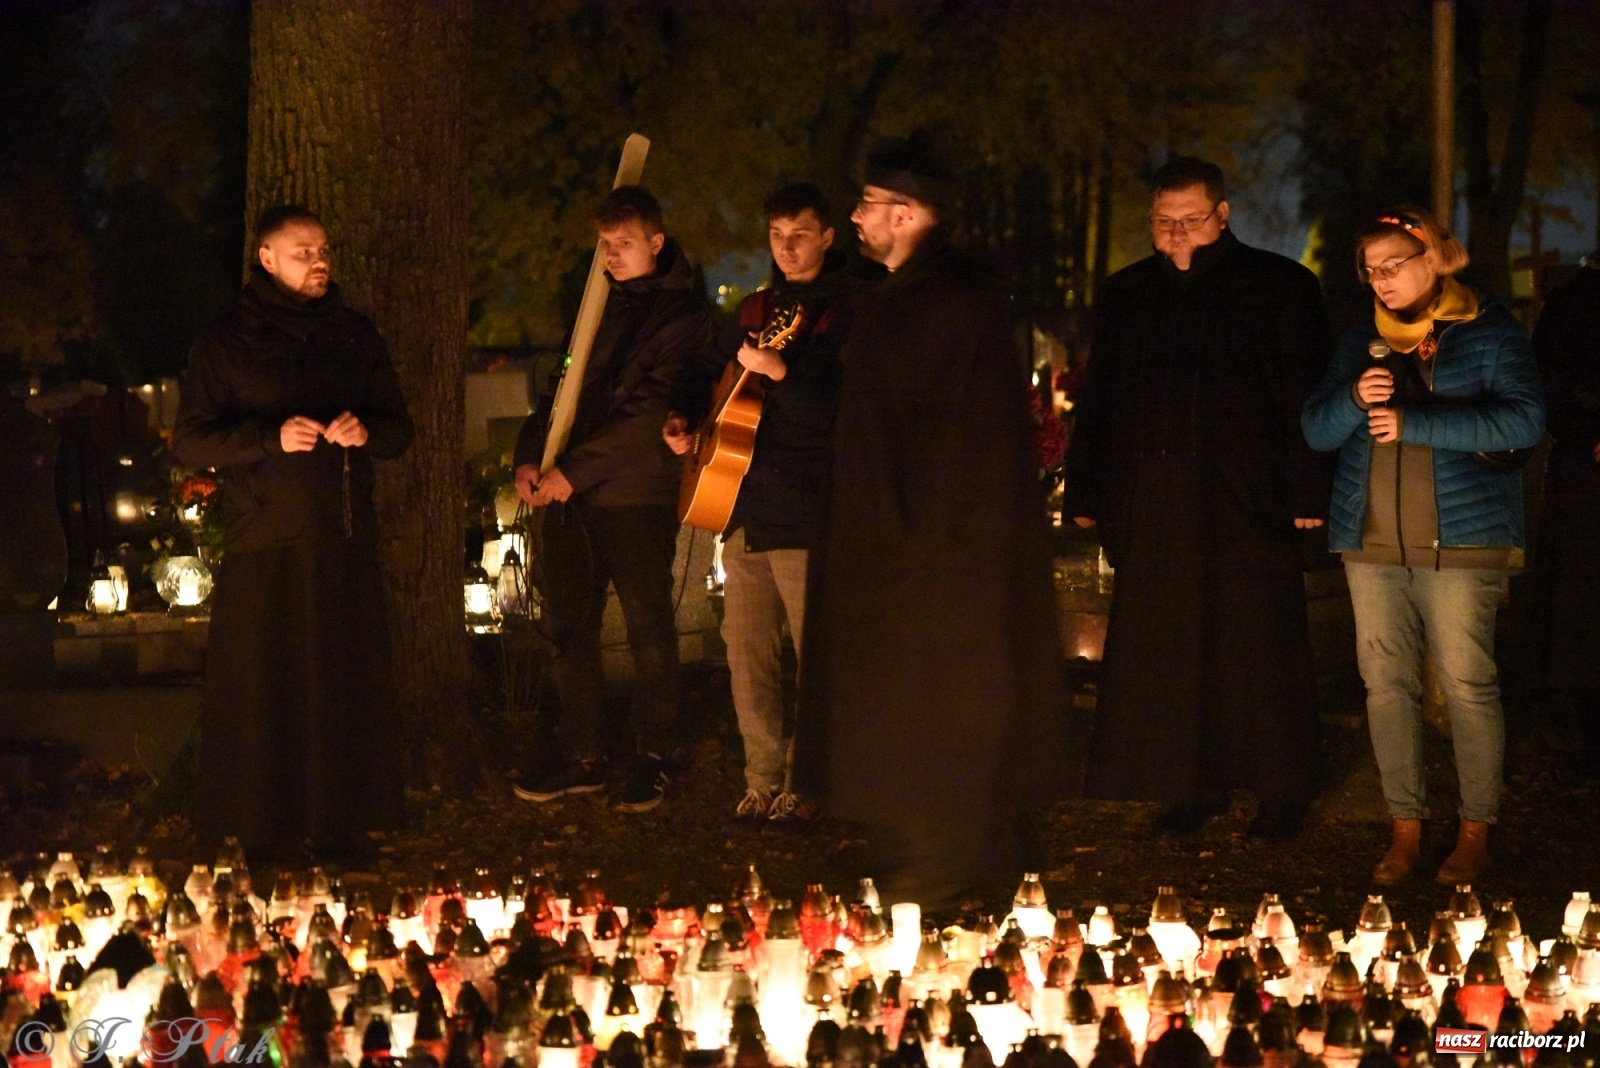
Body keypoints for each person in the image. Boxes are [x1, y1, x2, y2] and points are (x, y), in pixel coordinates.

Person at [795, 131, 1063, 909]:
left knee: (938, 709)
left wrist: (919, 550)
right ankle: (953, 861)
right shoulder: (903, 301)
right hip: (902, 548)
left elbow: (958, 444)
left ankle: (949, 869)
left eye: (871, 206)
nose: (854, 217)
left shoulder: (948, 308)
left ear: (908, 215)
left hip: (937, 559)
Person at [1063, 157, 1333, 841]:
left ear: (1223, 215)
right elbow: (1103, 398)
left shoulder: (1280, 287)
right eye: (1163, 222)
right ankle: (1186, 783)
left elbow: (1307, 395)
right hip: (1158, 499)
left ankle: (1281, 788)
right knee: (1170, 645)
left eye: (1189, 220)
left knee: (1260, 643)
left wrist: (1308, 489)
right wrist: (1090, 490)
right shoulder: (1129, 293)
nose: (1176, 234)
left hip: (1251, 496)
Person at [1302, 208, 1544, 884]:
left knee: (1468, 685)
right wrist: (1353, 396)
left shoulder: (1491, 331)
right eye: (1370, 271)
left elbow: (1526, 419)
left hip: (1464, 540)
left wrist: (1417, 422)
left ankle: (1474, 833)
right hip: (1371, 544)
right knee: (1386, 686)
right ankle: (1404, 831)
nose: (1380, 281)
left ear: (1434, 258)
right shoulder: (1360, 341)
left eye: (1394, 265)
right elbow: (1318, 430)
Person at [173, 204, 414, 863]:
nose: (319, 260)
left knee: (341, 681)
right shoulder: (225, 343)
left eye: (324, 249)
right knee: (264, 685)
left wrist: (366, 431)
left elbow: (398, 428)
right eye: (303, 250)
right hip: (262, 538)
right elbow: (191, 440)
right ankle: (263, 829)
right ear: (267, 259)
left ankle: (340, 825)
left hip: (339, 533)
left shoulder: (353, 336)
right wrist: (268, 440)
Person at [664, 183, 864, 831]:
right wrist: (684, 414)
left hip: (807, 511)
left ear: (829, 235)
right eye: (777, 235)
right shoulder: (758, 308)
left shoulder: (846, 311)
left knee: (815, 657)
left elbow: (839, 413)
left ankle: (813, 781)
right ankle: (760, 779)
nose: (787, 247)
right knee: (746, 652)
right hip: (743, 506)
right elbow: (703, 364)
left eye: (800, 233)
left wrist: (783, 374)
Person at [511, 186, 713, 814]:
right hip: (569, 493)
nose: (611, 254)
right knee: (571, 626)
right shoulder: (596, 305)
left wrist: (572, 469)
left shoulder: (682, 317)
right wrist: (528, 454)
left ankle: (656, 751)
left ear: (656, 241)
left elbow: (647, 410)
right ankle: (584, 753)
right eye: (604, 244)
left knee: (649, 624)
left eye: (623, 243)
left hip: (633, 492)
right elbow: (560, 391)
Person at [1533, 255, 1600, 774]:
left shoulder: (1570, 302)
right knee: (1576, 588)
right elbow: (1549, 386)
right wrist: (1586, 433)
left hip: (1581, 461)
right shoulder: (1574, 304)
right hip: (1585, 468)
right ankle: (1567, 705)